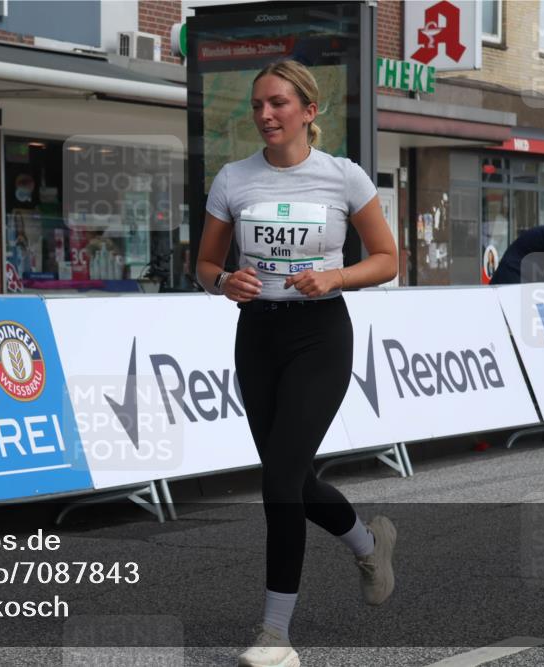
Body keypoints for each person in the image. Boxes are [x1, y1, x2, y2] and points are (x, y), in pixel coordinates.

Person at [196, 60, 399, 667]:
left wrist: (336, 276)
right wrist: (225, 281)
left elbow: (388, 259)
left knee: (279, 482)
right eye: (258, 105)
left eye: (279, 104)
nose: (265, 115)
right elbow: (204, 267)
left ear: (309, 111)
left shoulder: (343, 177)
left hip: (320, 336)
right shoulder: (233, 179)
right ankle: (369, 542)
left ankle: (275, 634)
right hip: (257, 335)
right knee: (295, 479)